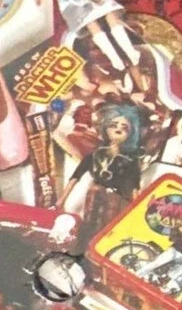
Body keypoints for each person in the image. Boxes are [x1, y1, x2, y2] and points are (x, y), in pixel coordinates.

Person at [57, 103, 143, 250]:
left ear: (130, 134)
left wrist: (136, 210)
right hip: (95, 193)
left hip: (116, 197)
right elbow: (75, 177)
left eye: (124, 128)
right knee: (88, 225)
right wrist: (62, 199)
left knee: (107, 230)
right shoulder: (95, 154)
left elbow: (135, 186)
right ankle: (83, 248)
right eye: (114, 125)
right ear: (105, 129)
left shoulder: (131, 161)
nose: (118, 129)